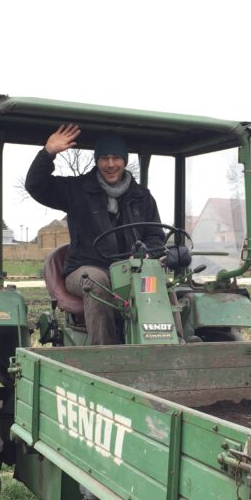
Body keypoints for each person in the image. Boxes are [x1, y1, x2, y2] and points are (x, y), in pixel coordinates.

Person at [25, 124, 164, 345]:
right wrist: (48, 153)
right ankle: (104, 354)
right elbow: (36, 185)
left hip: (130, 271)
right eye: (104, 158)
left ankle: (174, 348)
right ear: (97, 161)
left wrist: (147, 254)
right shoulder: (77, 190)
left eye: (116, 158)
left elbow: (155, 236)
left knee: (162, 285)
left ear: (125, 160)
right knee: (97, 282)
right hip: (84, 269)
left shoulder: (142, 197)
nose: (111, 164)